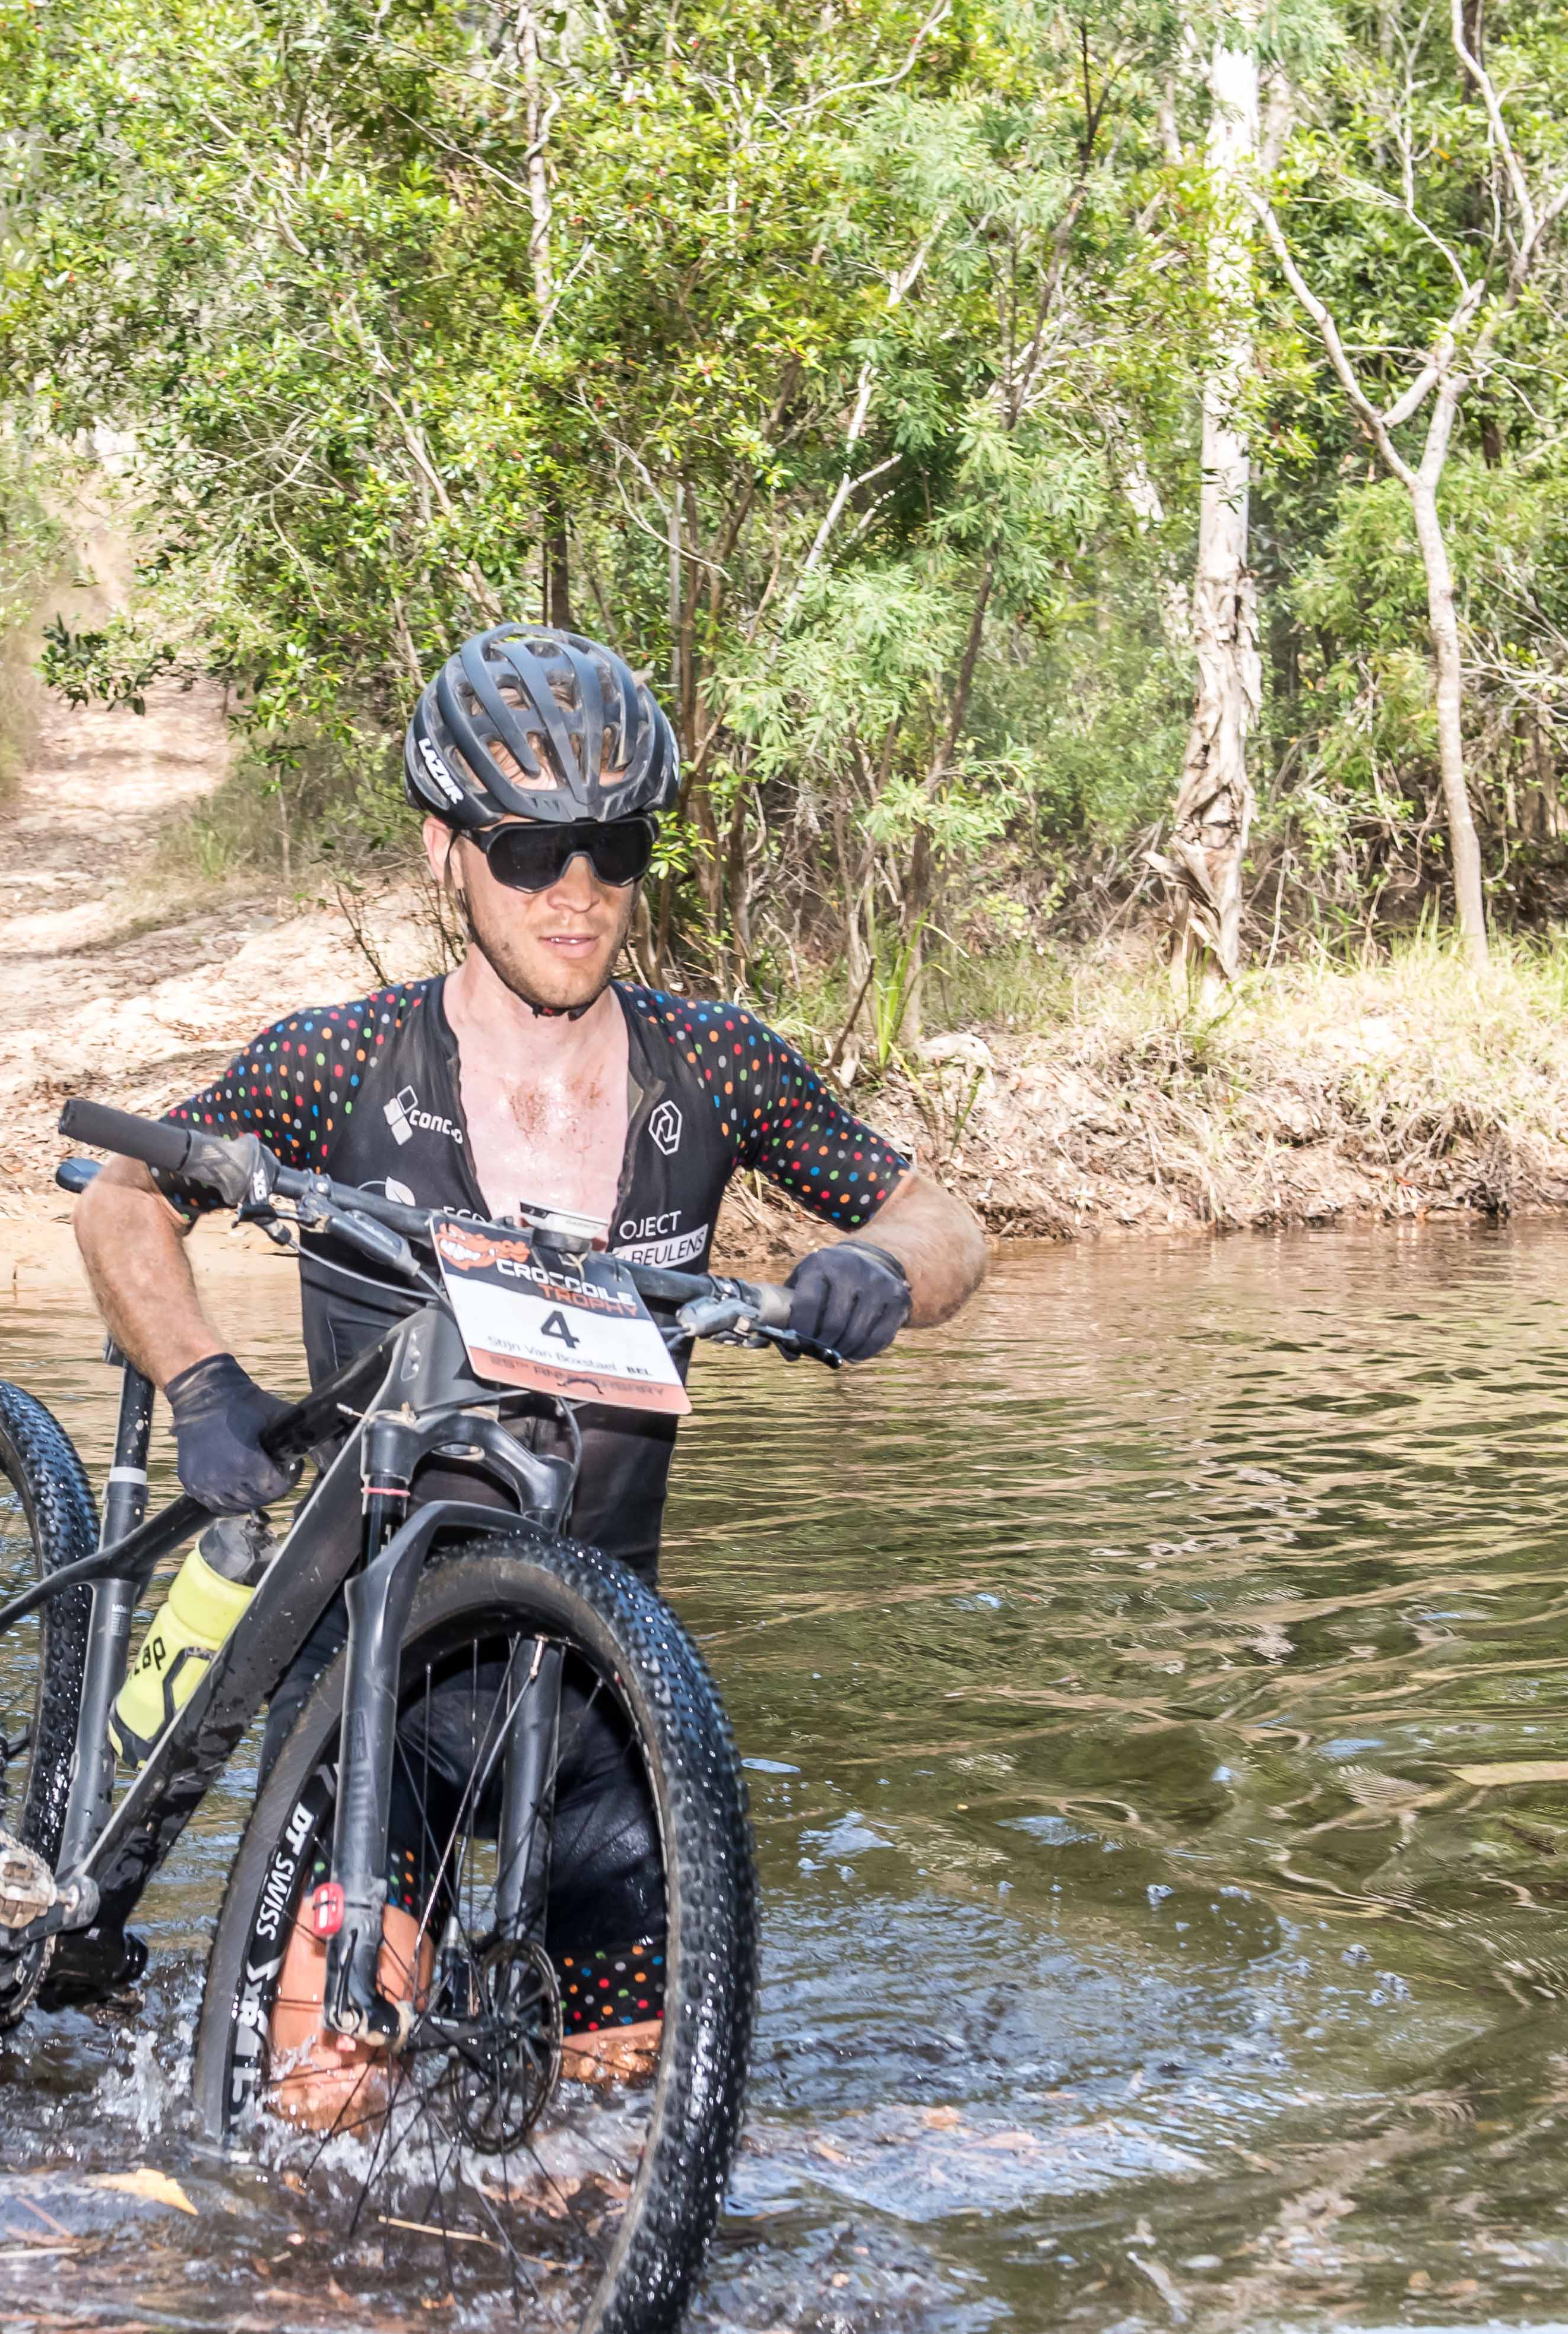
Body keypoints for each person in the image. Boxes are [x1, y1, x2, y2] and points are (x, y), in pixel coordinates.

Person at [70, 624, 990, 2117]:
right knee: (322, 2107)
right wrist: (201, 1384)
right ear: (448, 851)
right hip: (379, 1679)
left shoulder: (717, 1065)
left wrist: (878, 1269)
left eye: (614, 850)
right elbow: (118, 1195)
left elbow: (941, 1215)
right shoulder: (339, 1061)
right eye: (530, 850)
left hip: (602, 1682)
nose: (577, 892)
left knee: (620, 2125)